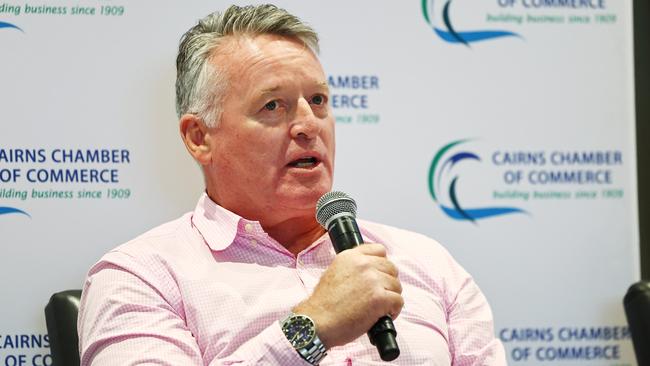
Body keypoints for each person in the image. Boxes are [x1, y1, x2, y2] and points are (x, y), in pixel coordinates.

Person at [77, 4, 507, 365]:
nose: (307, 125)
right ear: (199, 137)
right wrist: (311, 328)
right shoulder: (140, 277)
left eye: (317, 101)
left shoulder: (428, 264)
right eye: (272, 105)